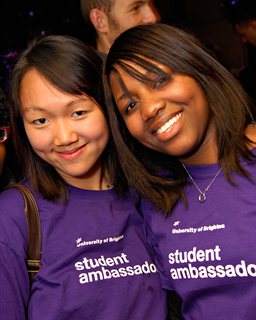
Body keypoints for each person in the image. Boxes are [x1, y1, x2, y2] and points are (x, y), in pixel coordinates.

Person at [0, 34, 169, 319]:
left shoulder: (151, 190)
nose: (64, 137)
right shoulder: (14, 215)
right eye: (40, 120)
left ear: (107, 106)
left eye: (78, 112)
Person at [103, 23, 256, 319]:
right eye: (130, 105)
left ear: (199, 69)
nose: (149, 109)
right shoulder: (155, 203)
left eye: (159, 80)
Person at [80, 0, 160, 56]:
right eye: (135, 8)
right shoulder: (90, 78)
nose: (153, 18)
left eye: (151, 3)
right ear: (100, 21)